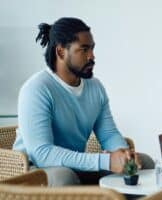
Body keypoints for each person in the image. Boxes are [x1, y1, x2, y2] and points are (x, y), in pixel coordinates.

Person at [13, 17, 154, 186]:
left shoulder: (95, 87)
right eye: (84, 49)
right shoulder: (36, 89)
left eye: (92, 49)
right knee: (63, 177)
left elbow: (108, 134)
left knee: (144, 163)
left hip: (74, 166)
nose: (92, 56)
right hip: (35, 171)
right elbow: (43, 154)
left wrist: (124, 155)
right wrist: (106, 161)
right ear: (61, 52)